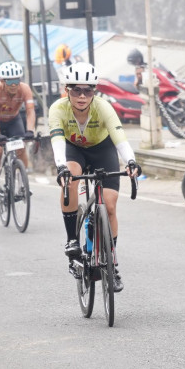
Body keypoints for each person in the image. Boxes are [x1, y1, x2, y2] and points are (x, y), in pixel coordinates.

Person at [49, 61, 140, 291]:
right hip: (74, 150)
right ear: (67, 90)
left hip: (102, 149)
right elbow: (58, 143)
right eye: (76, 90)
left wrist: (131, 161)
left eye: (87, 91)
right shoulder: (58, 109)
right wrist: (61, 168)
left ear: (94, 91)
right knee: (70, 180)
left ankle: (111, 264)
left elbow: (120, 139)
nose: (82, 96)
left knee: (109, 205)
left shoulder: (103, 107)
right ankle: (72, 240)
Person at [0, 61, 36, 206]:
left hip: (13, 120)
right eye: (9, 81)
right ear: (2, 81)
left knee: (21, 148)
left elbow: (30, 111)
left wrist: (30, 130)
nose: (14, 85)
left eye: (16, 80)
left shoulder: (24, 89)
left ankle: (22, 184)